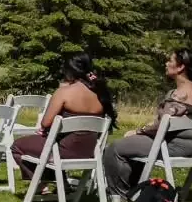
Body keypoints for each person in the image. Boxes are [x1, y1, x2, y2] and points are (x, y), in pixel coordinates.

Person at [103, 48, 192, 202]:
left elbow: (162, 124)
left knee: (115, 148)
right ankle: (134, 189)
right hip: (190, 146)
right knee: (133, 145)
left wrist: (138, 131)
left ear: (180, 67)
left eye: (170, 61)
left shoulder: (180, 94)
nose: (166, 64)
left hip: (172, 145)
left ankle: (119, 195)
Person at [10, 53, 116, 182]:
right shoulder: (100, 94)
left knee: (17, 146)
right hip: (90, 151)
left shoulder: (64, 93)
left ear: (68, 71)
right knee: (43, 146)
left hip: (62, 151)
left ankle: (41, 185)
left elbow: (45, 123)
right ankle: (61, 185)